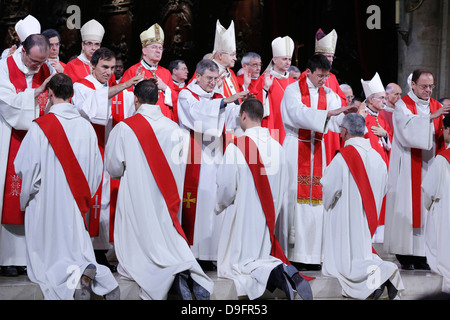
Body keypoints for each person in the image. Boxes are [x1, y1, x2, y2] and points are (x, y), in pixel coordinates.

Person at [105, 79, 213, 300]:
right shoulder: (174, 128)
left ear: (135, 100)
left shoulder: (124, 128)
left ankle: (165, 279)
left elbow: (114, 167)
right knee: (168, 243)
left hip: (136, 197)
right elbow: (182, 163)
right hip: (166, 198)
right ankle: (181, 272)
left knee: (139, 256)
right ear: (158, 99)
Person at [14, 73, 119, 300]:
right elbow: (96, 169)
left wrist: (28, 194)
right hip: (74, 202)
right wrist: (83, 194)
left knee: (46, 263)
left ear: (49, 94)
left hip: (44, 202)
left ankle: (70, 280)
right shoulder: (86, 127)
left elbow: (25, 167)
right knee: (74, 248)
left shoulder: (40, 127)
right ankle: (85, 270)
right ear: (72, 95)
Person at [215, 98, 313, 300]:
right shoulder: (278, 148)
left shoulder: (237, 146)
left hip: (241, 215)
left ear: (243, 115)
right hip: (269, 218)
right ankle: (276, 269)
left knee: (239, 265)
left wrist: (220, 204)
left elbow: (226, 186)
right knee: (259, 255)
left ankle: (273, 271)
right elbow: (285, 184)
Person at [280, 54, 355, 271]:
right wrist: (329, 113)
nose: (323, 80)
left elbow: (336, 120)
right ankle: (293, 252)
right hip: (296, 148)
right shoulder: (293, 90)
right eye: (320, 76)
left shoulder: (329, 93)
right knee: (294, 198)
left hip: (318, 150)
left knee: (317, 201)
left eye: (326, 76)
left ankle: (313, 254)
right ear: (308, 72)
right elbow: (297, 114)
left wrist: (347, 115)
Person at [72, 47, 144, 272]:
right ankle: (82, 248)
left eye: (112, 68)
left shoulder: (115, 90)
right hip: (86, 151)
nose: (108, 72)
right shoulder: (81, 86)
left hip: (108, 149)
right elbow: (94, 112)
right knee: (88, 199)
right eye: (104, 67)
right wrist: (124, 84)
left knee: (105, 203)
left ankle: (100, 250)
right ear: (92, 66)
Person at [321, 113, 404, 300]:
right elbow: (384, 187)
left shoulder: (343, 157)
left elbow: (328, 187)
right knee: (362, 254)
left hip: (344, 219)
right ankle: (378, 278)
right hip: (368, 220)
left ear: (344, 132)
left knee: (345, 264)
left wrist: (329, 204)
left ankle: (384, 270)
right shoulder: (377, 157)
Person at [177, 59, 249, 270]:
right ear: (197, 76)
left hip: (216, 156)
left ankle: (210, 252)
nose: (212, 83)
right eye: (208, 79)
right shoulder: (186, 95)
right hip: (193, 155)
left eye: (215, 79)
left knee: (212, 202)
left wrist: (243, 104)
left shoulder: (219, 97)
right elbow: (197, 115)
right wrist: (225, 102)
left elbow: (233, 120)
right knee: (197, 200)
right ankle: (192, 252)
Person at [384, 69, 450, 270]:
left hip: (429, 164)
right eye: (424, 86)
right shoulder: (403, 105)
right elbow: (406, 133)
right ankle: (405, 254)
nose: (428, 90)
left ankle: (424, 254)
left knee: (426, 208)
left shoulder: (436, 105)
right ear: (413, 85)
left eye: (431, 86)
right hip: (407, 165)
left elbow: (441, 135)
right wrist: (430, 118)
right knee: (406, 205)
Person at [0, 34, 54, 277]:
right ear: (23, 51)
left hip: (37, 139)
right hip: (8, 135)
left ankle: (29, 257)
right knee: (8, 194)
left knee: (32, 195)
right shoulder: (4, 67)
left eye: (41, 62)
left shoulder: (47, 67)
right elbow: (8, 104)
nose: (37, 67)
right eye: (34, 62)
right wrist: (37, 91)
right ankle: (6, 257)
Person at [120, 23, 176, 121]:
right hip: (142, 121)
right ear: (144, 51)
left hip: (163, 121)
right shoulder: (132, 71)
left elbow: (176, 100)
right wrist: (135, 86)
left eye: (160, 48)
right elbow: (121, 98)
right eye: (154, 47)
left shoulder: (166, 72)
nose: (158, 51)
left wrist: (165, 88)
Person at [361, 73, 392, 244]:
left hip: (383, 167)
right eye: (381, 98)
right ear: (371, 99)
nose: (384, 102)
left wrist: (386, 135)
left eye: (385, 98)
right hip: (368, 167)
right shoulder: (363, 115)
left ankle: (379, 234)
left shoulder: (382, 117)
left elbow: (390, 141)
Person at [422, 115, 450, 293]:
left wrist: (428, 206)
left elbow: (428, 190)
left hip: (444, 213)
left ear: (448, 130)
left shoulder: (442, 160)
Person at [314, 28, 347, 164]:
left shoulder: (332, 78)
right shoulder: (308, 75)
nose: (331, 60)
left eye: (332, 57)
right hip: (316, 127)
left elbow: (342, 100)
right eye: (328, 56)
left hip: (332, 129)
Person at [255, 36, 296, 145]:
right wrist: (266, 89)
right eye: (284, 59)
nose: (288, 62)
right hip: (271, 125)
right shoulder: (263, 80)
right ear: (274, 59)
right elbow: (255, 104)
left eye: (289, 59)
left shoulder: (293, 82)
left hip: (290, 127)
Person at [169, 59, 189, 123]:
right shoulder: (166, 86)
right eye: (183, 69)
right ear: (174, 71)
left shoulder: (189, 89)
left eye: (186, 69)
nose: (187, 71)